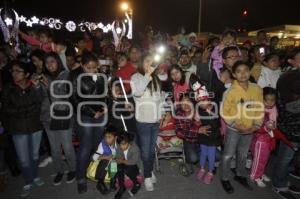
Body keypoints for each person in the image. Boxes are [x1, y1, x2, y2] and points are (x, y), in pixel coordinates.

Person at [2, 61, 44, 197]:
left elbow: (39, 103)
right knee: (24, 158)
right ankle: (28, 181)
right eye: (13, 71)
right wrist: (25, 109)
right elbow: (6, 109)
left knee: (35, 154)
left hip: (35, 125)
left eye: (18, 71)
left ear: (26, 74)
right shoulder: (9, 88)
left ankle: (35, 176)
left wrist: (36, 89)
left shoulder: (34, 86)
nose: (14, 74)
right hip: (18, 128)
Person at [220, 61, 264, 194]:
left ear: (250, 72)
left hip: (250, 128)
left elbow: (259, 108)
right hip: (234, 129)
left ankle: (240, 174)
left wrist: (256, 125)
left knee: (243, 154)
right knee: (228, 154)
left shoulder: (257, 89)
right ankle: (225, 177)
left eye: (246, 70)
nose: (243, 74)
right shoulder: (230, 91)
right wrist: (235, 125)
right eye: (239, 71)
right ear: (233, 74)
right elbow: (224, 111)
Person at [72, 52, 108, 194]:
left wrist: (106, 105)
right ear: (82, 65)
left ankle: (94, 173)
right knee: (85, 146)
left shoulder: (100, 76)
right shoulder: (75, 77)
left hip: (100, 115)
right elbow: (74, 100)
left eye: (94, 67)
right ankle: (80, 178)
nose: (92, 70)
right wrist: (92, 113)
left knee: (97, 145)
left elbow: (104, 94)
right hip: (85, 116)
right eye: (89, 67)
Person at [40, 52, 76, 186]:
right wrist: (38, 87)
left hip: (63, 114)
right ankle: (59, 170)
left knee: (67, 146)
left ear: (58, 62)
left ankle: (73, 169)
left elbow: (65, 97)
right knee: (54, 148)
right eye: (47, 62)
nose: (50, 65)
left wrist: (49, 86)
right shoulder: (42, 77)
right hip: (47, 117)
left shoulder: (66, 75)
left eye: (52, 61)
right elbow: (40, 98)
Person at [250, 87, 294, 188]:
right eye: (267, 100)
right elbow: (255, 126)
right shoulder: (259, 109)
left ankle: (260, 173)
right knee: (259, 159)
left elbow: (275, 122)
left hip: (269, 138)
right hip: (260, 138)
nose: (270, 103)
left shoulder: (274, 109)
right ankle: (255, 176)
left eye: (272, 100)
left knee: (264, 159)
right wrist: (266, 127)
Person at [130, 54, 162, 191]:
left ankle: (148, 171)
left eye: (152, 62)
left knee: (150, 150)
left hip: (155, 121)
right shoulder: (136, 77)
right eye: (147, 61)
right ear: (142, 63)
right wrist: (147, 75)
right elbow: (137, 93)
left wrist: (161, 116)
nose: (150, 64)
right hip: (143, 122)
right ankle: (147, 176)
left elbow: (160, 99)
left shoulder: (156, 78)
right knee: (146, 151)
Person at [272, 47, 300, 199]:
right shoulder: (289, 77)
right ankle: (279, 184)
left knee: (291, 156)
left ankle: (284, 179)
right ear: (291, 60)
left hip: (296, 125)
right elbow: (291, 106)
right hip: (291, 126)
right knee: (286, 156)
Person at [195, 84, 221, 185]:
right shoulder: (198, 111)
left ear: (209, 100)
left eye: (204, 100)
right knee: (203, 153)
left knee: (211, 155)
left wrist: (210, 113)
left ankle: (210, 172)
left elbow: (216, 123)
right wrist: (197, 122)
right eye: (200, 102)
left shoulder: (214, 109)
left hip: (213, 137)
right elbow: (197, 123)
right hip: (203, 137)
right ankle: (202, 169)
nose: (202, 103)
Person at [176, 93, 202, 175]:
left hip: (201, 140)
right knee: (193, 158)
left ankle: (199, 158)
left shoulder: (198, 112)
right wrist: (197, 130)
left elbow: (206, 128)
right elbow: (180, 133)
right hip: (188, 141)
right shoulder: (179, 114)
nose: (186, 105)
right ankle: (188, 160)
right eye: (183, 103)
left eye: (188, 101)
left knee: (217, 156)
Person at [114, 133, 142, 199]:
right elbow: (117, 157)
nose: (122, 146)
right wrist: (118, 160)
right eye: (120, 144)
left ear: (128, 142)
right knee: (118, 167)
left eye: (124, 144)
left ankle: (136, 183)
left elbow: (134, 161)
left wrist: (122, 161)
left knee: (126, 169)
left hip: (135, 167)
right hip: (125, 165)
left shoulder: (135, 148)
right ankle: (122, 187)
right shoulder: (118, 147)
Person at [92, 127, 118, 195]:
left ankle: (112, 181)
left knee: (114, 162)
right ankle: (100, 183)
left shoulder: (119, 143)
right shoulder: (102, 144)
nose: (107, 139)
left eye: (109, 137)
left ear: (115, 137)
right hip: (103, 164)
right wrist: (105, 157)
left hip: (114, 165)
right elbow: (94, 157)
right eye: (105, 137)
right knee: (105, 161)